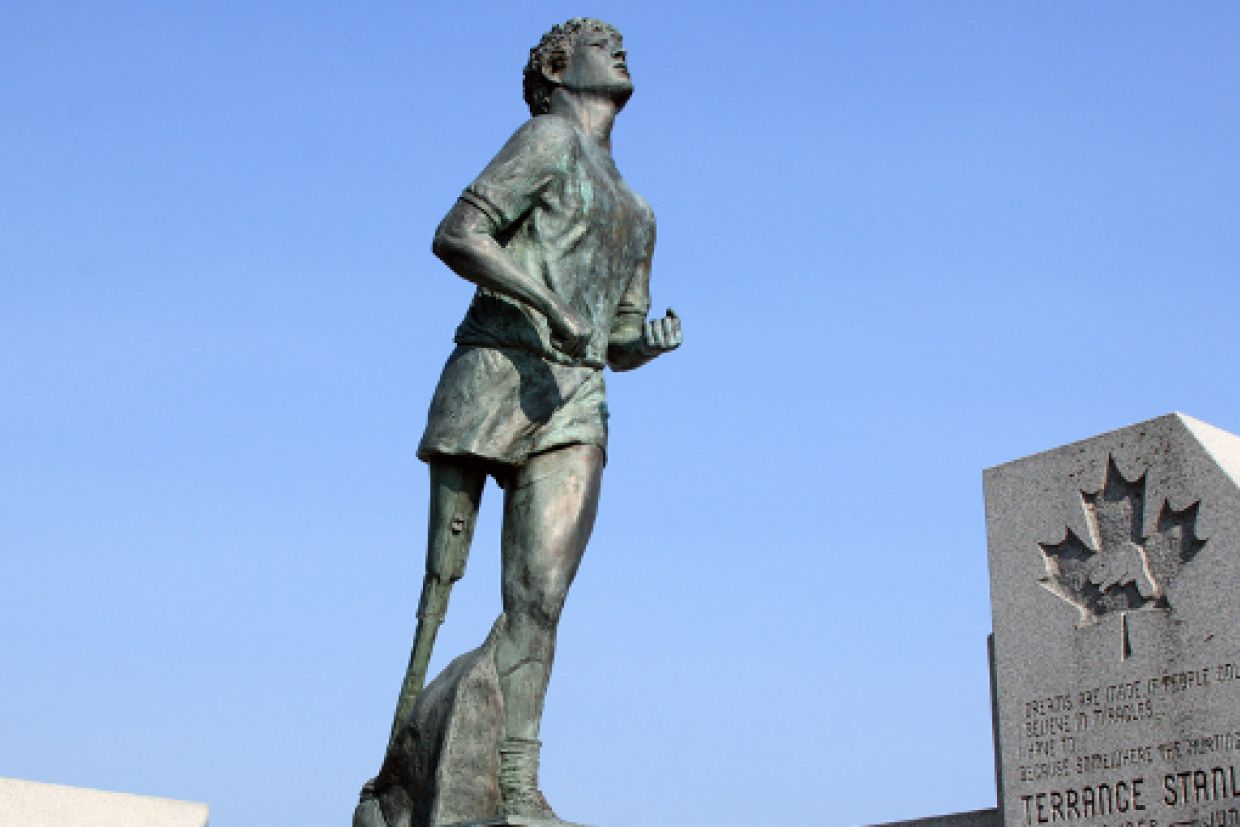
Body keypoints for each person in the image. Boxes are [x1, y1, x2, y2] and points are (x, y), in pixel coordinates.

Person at [397, 17, 682, 822]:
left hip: (576, 399)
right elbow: (458, 234)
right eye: (602, 41)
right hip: (496, 375)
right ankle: (398, 776)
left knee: (541, 598)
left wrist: (642, 342)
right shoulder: (547, 141)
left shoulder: (639, 210)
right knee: (437, 593)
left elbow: (615, 333)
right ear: (560, 69)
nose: (621, 47)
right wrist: (546, 301)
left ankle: (516, 782)